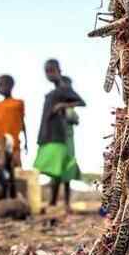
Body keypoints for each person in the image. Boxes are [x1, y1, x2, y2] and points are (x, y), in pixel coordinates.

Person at [34, 59, 85, 212]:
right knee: (55, 171)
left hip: (61, 136)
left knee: (61, 171)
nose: (49, 74)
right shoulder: (52, 93)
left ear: (59, 70)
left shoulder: (64, 88)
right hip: (48, 134)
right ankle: (55, 203)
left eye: (51, 70)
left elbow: (80, 103)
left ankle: (57, 204)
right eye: (46, 71)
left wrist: (63, 106)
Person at [0, 74, 28, 169]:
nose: (0, 88)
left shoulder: (19, 103)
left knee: (16, 168)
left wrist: (26, 141)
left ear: (11, 85)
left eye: (2, 85)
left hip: (14, 143)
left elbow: (22, 122)